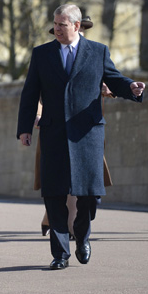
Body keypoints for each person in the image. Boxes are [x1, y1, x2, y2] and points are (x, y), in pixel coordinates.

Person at [17, 4, 145, 270]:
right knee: (53, 194)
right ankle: (60, 253)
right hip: (53, 133)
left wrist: (131, 87)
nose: (56, 29)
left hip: (87, 133)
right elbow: (30, 93)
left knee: (88, 195)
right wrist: (24, 129)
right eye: (55, 24)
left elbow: (114, 78)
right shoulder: (41, 54)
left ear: (76, 26)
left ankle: (83, 238)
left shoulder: (97, 52)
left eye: (62, 24)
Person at [39, 16, 114, 238]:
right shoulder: (48, 56)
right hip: (56, 126)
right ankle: (66, 226)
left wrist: (106, 88)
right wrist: (36, 115)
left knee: (84, 181)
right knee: (62, 180)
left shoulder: (93, 53)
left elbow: (107, 79)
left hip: (84, 130)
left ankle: (69, 224)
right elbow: (36, 91)